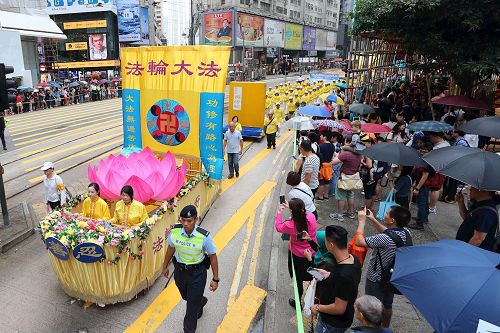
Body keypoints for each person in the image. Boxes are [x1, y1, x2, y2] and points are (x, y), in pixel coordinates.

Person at [162, 205, 219, 333]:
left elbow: (213, 257)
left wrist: (215, 279)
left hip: (197, 274)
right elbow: (171, 248)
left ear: (195, 219)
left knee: (191, 310)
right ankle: (200, 301)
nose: (186, 224)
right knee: (186, 297)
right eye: (183, 220)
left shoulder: (204, 237)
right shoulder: (175, 232)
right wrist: (164, 266)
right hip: (180, 273)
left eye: (189, 221)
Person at [355, 206, 412, 328]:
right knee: (387, 305)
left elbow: (359, 241)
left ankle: (371, 329)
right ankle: (385, 328)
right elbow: (390, 233)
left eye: (387, 213)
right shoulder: (406, 232)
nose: (385, 214)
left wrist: (361, 222)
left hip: (376, 278)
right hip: (391, 276)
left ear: (392, 221)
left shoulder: (384, 239)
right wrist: (373, 220)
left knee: (371, 308)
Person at [311, 225, 362, 332]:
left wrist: (317, 307)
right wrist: (328, 275)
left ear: (331, 245)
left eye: (325, 240)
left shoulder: (343, 275)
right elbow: (345, 285)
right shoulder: (353, 259)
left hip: (332, 324)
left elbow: (339, 308)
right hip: (343, 318)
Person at [275, 198, 317, 309]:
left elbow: (278, 227)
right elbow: (303, 212)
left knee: (297, 279)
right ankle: (310, 299)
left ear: (293, 212)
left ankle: (298, 301)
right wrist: (293, 208)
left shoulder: (290, 225)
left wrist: (279, 212)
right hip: (311, 252)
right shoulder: (311, 217)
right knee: (312, 277)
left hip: (297, 255)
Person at [330, 133, 363, 222]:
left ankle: (340, 215)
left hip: (344, 177)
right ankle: (351, 213)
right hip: (353, 177)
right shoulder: (359, 153)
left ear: (347, 141)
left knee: (341, 196)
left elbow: (333, 162)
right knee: (350, 195)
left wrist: (339, 153)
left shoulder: (347, 153)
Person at [455, 187, 498, 252]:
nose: (470, 188)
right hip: (465, 248)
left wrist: (463, 254)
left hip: (473, 254)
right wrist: (461, 203)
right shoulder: (479, 203)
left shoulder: (487, 213)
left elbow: (478, 239)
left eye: (473, 187)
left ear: (483, 190)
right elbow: (467, 218)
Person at [407, 142, 433, 230]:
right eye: (421, 151)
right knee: (425, 203)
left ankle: (419, 223)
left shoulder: (427, 161)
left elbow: (425, 175)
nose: (422, 153)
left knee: (421, 204)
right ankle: (423, 218)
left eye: (425, 151)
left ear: (429, 152)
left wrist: (417, 188)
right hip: (425, 185)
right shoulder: (425, 159)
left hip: (423, 185)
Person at [317, 132, 336, 200]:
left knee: (321, 182)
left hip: (322, 166)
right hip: (329, 165)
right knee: (327, 181)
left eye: (322, 135)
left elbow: (319, 156)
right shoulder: (332, 146)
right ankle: (326, 195)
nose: (321, 136)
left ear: (325, 137)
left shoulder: (321, 146)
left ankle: (320, 196)